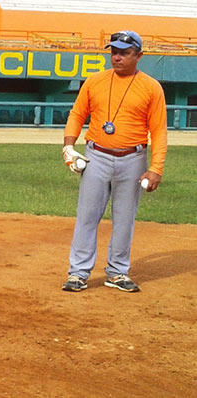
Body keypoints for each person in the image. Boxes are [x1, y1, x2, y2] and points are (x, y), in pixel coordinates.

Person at [61, 30, 167, 293]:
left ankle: (117, 272)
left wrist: (155, 168)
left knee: (124, 218)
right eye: (114, 52)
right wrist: (68, 146)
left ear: (139, 56)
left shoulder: (151, 87)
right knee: (87, 216)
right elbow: (77, 113)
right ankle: (78, 273)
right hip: (95, 156)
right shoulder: (94, 81)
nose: (117, 57)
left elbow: (160, 130)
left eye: (124, 53)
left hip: (133, 159)